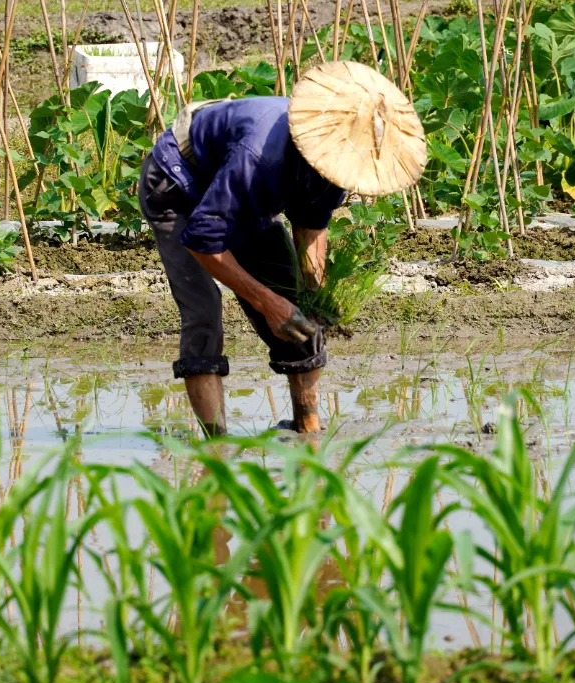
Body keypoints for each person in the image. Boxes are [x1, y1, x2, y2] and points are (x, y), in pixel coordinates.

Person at [139, 61, 427, 437]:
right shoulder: (260, 154)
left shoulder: (338, 162)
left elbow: (311, 225)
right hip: (179, 183)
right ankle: (216, 444)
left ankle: (307, 427)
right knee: (204, 309)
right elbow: (204, 242)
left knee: (301, 313)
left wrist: (312, 293)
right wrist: (265, 301)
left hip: (243, 194)